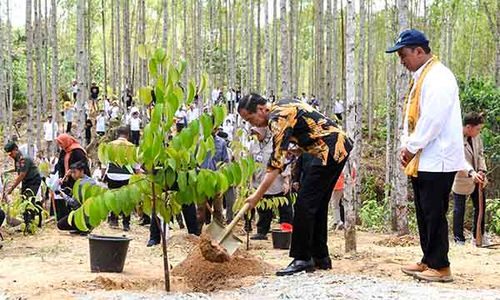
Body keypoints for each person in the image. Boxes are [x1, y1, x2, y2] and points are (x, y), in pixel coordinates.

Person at [238, 93, 352, 276]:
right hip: (335, 145)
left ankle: (302, 258)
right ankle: (320, 257)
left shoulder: (277, 117)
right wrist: (299, 149)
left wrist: (256, 196)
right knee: (318, 204)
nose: (253, 125)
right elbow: (310, 128)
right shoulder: (284, 104)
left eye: (251, 119)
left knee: (304, 203)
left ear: (261, 109)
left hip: (328, 149)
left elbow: (275, 165)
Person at [386, 29, 464, 283]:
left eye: (403, 54)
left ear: (419, 51)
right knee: (423, 211)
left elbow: (433, 119)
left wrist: (411, 146)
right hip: (424, 156)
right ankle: (428, 259)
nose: (402, 60)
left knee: (433, 212)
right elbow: (412, 117)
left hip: (437, 157)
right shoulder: (422, 77)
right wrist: (405, 144)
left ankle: (441, 267)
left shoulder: (439, 77)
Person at [452, 112, 490, 247]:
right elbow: (459, 159)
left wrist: (481, 170)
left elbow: (480, 154)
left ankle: (478, 236)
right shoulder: (455, 138)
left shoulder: (476, 137)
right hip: (461, 176)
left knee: (480, 206)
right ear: (469, 127)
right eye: (478, 129)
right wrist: (471, 172)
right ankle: (459, 239)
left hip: (477, 177)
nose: (479, 131)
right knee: (459, 209)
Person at [248, 127, 293, 240]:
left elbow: (285, 162)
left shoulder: (275, 143)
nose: (256, 136)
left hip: (278, 182)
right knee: (263, 211)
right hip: (260, 183)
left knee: (285, 209)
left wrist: (286, 181)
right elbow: (250, 163)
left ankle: (287, 231)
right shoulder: (253, 145)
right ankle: (262, 232)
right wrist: (250, 182)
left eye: (257, 133)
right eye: (254, 134)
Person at [103, 127, 138, 231]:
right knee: (127, 199)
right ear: (128, 135)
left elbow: (105, 162)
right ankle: (126, 223)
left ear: (117, 134)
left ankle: (114, 220)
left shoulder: (110, 145)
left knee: (114, 197)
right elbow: (135, 164)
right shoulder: (131, 146)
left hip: (112, 175)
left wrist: (103, 175)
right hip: (126, 176)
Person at [4, 141, 43, 229]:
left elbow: (22, 175)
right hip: (26, 181)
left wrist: (12, 188)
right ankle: (27, 222)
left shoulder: (23, 159)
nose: (10, 155)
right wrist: (6, 172)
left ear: (16, 149)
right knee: (23, 200)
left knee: (29, 200)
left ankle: (31, 222)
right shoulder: (16, 158)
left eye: (11, 153)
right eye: (8, 154)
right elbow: (17, 169)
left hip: (33, 180)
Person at [54, 134, 90, 222]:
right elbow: (60, 165)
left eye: (61, 144)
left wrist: (72, 170)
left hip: (78, 179)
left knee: (78, 199)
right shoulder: (64, 151)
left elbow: (83, 163)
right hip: (67, 180)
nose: (60, 146)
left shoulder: (77, 151)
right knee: (68, 198)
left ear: (66, 141)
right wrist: (61, 177)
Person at [56, 160, 94, 233]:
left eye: (74, 172)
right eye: (72, 172)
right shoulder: (91, 180)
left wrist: (63, 195)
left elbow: (73, 203)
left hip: (82, 214)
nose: (72, 175)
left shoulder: (80, 184)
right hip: (91, 214)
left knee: (60, 224)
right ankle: (83, 227)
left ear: (81, 171)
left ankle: (82, 227)